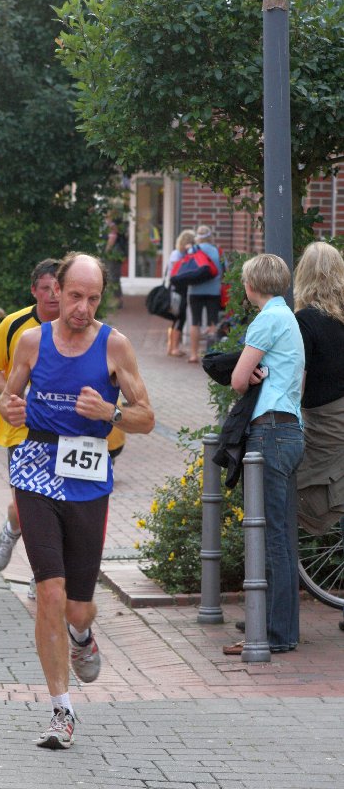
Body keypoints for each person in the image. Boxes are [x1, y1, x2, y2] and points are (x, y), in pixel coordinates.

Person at [0, 252, 154, 748]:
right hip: (35, 471)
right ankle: (60, 710)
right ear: (55, 292)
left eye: (92, 298)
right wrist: (11, 408)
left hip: (87, 479)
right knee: (50, 590)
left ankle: (82, 637)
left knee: (78, 608)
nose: (82, 307)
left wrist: (110, 412)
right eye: (74, 296)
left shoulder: (115, 346)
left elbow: (147, 417)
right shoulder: (31, 342)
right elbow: (6, 399)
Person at [223, 253, 304, 656]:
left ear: (250, 286)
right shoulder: (289, 318)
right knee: (281, 535)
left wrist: (248, 376)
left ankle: (274, 634)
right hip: (290, 429)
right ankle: (280, 624)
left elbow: (238, 380)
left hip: (268, 431)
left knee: (270, 535)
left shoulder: (266, 319)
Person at [0, 259, 61, 578]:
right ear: (34, 290)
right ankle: (12, 530)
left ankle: (42, 574)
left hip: (64, 430)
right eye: (46, 288)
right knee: (26, 505)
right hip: (21, 428)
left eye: (59, 288)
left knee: (56, 504)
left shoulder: (80, 325)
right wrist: (19, 393)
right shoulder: (14, 324)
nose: (53, 295)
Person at [293, 242, 344, 632]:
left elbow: (298, 382)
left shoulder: (304, 322)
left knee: (287, 496)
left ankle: (274, 607)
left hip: (325, 424)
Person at [188, 224, 221, 363]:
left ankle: (193, 354)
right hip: (213, 291)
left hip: (195, 291)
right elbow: (223, 271)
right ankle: (211, 355)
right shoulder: (217, 251)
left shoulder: (192, 250)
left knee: (195, 322)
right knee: (212, 323)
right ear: (210, 236)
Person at [166, 229, 195, 357]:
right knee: (179, 317)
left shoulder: (177, 253)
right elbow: (178, 271)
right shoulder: (177, 254)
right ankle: (174, 348)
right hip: (177, 290)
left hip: (178, 289)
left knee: (177, 318)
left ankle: (171, 347)